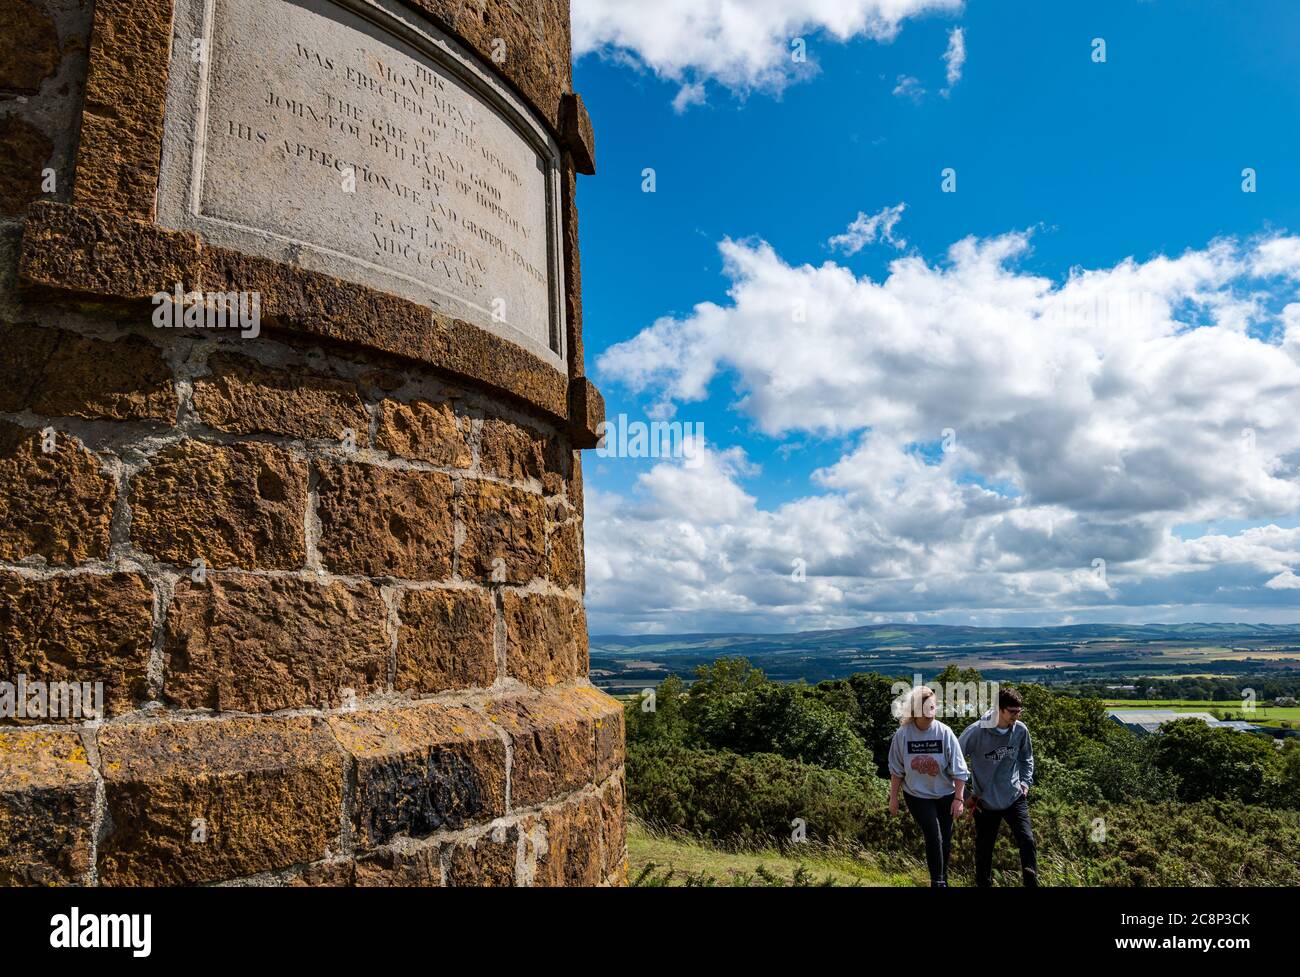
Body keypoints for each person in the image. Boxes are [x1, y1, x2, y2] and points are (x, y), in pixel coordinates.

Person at [888, 685, 969, 887]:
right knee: (934, 835)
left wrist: (959, 799)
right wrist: (893, 798)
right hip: (917, 795)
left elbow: (959, 769)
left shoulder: (945, 732)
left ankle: (943, 880)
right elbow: (897, 770)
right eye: (926, 708)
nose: (931, 712)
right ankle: (937, 883)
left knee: (946, 841)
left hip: (946, 794)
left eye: (933, 707)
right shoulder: (903, 735)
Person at [958, 687, 1038, 887]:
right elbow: (952, 764)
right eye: (1012, 712)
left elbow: (1027, 757)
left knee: (1027, 841)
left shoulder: (1021, 730)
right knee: (984, 850)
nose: (1017, 716)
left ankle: (1031, 882)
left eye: (1019, 711)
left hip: (1014, 796)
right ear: (999, 709)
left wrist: (1025, 782)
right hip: (985, 801)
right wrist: (965, 794)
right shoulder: (976, 732)